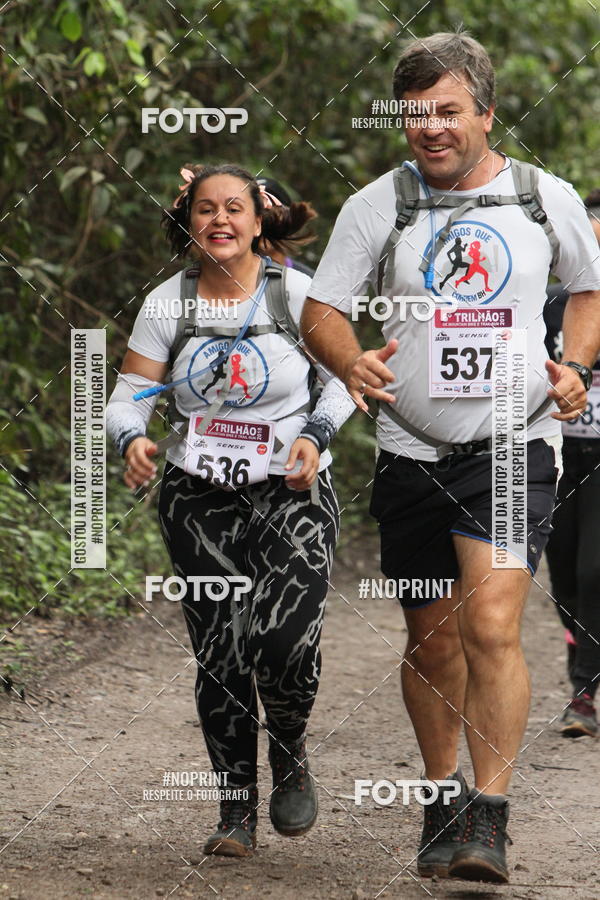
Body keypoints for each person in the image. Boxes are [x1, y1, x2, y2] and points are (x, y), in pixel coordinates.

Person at [301, 31, 600, 884]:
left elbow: (590, 288)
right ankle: (441, 800)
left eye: (448, 112)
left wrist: (574, 367)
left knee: (493, 624)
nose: (431, 128)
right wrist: (347, 355)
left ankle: (490, 820)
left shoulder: (544, 199)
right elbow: (322, 306)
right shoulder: (379, 205)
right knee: (433, 643)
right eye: (416, 114)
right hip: (411, 451)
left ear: (486, 113)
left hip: (514, 443)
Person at [106, 163, 355, 857]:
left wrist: (315, 434)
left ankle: (292, 742)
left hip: (292, 491)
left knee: (285, 645)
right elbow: (128, 395)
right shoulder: (167, 303)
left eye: (234, 208)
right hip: (197, 499)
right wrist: (132, 437)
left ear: (257, 220)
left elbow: (341, 383)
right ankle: (234, 810)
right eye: (206, 209)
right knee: (222, 651)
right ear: (190, 223)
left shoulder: (299, 294)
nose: (220, 220)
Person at [543, 188, 600, 737]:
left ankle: (583, 693)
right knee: (562, 576)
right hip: (558, 453)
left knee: (593, 570)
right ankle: (583, 654)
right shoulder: (554, 303)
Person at [256, 175, 316, 276]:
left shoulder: (308, 282)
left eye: (272, 214)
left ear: (289, 220)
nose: (264, 222)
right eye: (256, 213)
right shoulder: (227, 279)